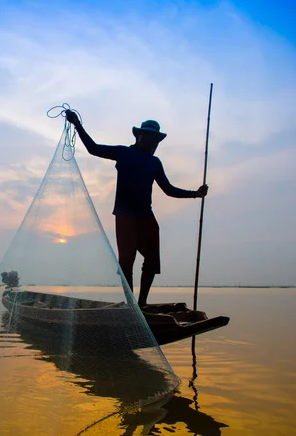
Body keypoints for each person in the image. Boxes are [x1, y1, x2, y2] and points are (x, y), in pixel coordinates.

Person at [65, 111, 208, 307]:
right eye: (148, 137)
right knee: (126, 262)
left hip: (145, 215)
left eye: (156, 140)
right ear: (138, 136)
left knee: (152, 260)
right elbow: (93, 148)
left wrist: (195, 193)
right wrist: (77, 124)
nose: (152, 143)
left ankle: (142, 303)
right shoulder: (124, 153)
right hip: (125, 215)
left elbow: (169, 190)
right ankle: (131, 305)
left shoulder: (154, 163)